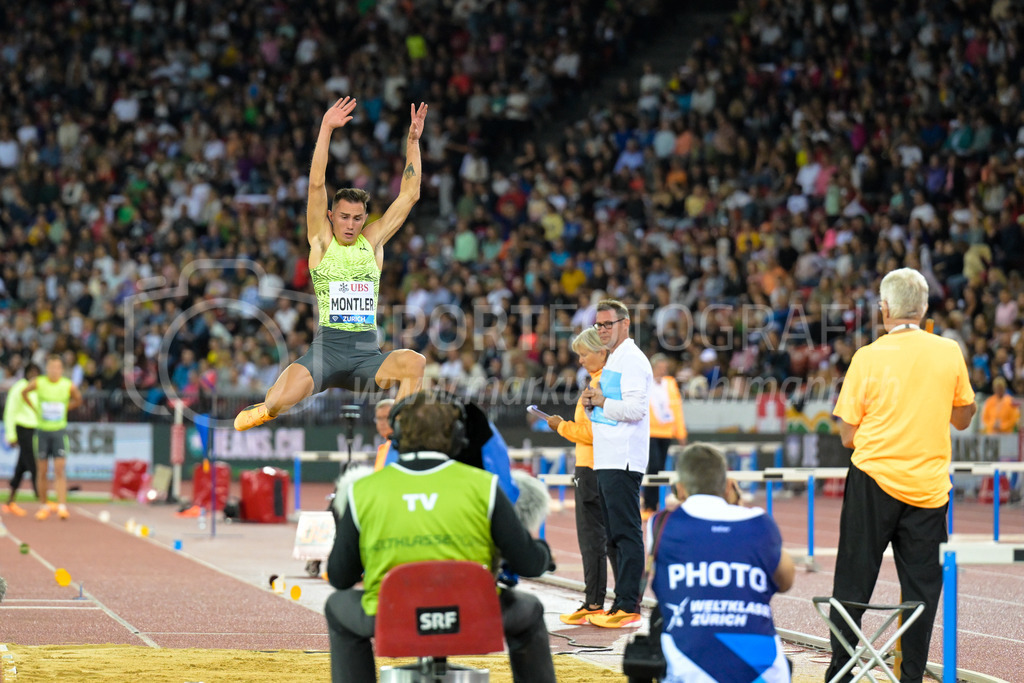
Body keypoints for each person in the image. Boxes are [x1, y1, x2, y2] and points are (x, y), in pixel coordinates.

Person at [324, 391, 556, 683]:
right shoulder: (484, 487)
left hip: (392, 616)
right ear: (457, 436)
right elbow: (530, 565)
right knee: (530, 611)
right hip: (473, 615)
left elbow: (339, 577)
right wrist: (543, 552)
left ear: (396, 436)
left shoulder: (362, 492)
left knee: (337, 607)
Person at [235, 97, 429, 431]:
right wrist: (325, 129)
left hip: (367, 356)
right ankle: (267, 407)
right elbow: (315, 185)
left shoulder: (373, 242)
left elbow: (410, 194)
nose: (351, 224)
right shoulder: (322, 243)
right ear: (331, 217)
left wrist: (412, 142)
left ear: (366, 218)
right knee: (279, 401)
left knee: (415, 362)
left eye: (357, 218)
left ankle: (400, 435)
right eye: (343, 217)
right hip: (326, 353)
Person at [827, 268, 976, 683]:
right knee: (922, 591)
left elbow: (847, 435)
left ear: (885, 308)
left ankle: (841, 671)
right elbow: (963, 417)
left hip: (873, 479)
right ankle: (910, 676)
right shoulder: (948, 352)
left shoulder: (868, 356)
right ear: (925, 308)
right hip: (928, 489)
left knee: (854, 579)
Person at [650, 443, 795, 682]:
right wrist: (737, 506)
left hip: (688, 669)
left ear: (679, 489)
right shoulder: (760, 523)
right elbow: (786, 580)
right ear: (728, 485)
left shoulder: (660, 525)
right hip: (765, 671)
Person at [582, 299, 653, 628]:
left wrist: (601, 401)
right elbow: (608, 410)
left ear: (626, 323)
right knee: (613, 535)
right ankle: (620, 601)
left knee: (626, 534)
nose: (602, 330)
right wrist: (590, 405)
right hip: (607, 458)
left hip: (623, 459)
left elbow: (636, 410)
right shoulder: (614, 360)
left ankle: (629, 604)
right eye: (598, 325)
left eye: (608, 324)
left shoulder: (633, 361)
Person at [545, 328, 610, 624]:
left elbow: (594, 433)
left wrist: (560, 426)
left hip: (592, 468)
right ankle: (607, 601)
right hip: (599, 466)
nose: (581, 360)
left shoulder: (600, 386)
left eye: (584, 354)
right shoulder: (603, 382)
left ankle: (595, 602)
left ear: (601, 351)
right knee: (605, 538)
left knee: (593, 538)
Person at [22, 355, 83, 520]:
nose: (54, 370)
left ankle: (62, 506)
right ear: (47, 368)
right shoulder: (39, 382)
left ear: (61, 370)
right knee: (41, 471)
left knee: (59, 469)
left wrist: (66, 408)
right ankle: (43, 506)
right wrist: (35, 409)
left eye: (57, 367)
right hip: (42, 432)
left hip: (59, 432)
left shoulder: (67, 385)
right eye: (51, 367)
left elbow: (79, 399)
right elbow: (24, 392)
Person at [644, 353, 687, 519]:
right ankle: (649, 504)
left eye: (665, 368)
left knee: (660, 468)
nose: (663, 370)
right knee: (653, 466)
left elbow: (676, 408)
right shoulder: (645, 382)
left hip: (667, 431)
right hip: (650, 432)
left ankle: (657, 504)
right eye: (660, 368)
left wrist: (681, 433)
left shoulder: (670, 383)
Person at [3, 363, 40, 516]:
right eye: (31, 372)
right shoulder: (19, 388)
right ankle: (42, 500)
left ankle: (10, 501)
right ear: (26, 373)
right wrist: (11, 435)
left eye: (36, 373)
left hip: (34, 429)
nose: (34, 376)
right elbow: (10, 411)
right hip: (22, 428)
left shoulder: (37, 389)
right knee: (34, 465)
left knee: (22, 466)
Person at [372, 398, 395, 471]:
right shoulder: (383, 448)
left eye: (386, 418)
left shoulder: (402, 447)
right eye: (379, 418)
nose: (382, 423)